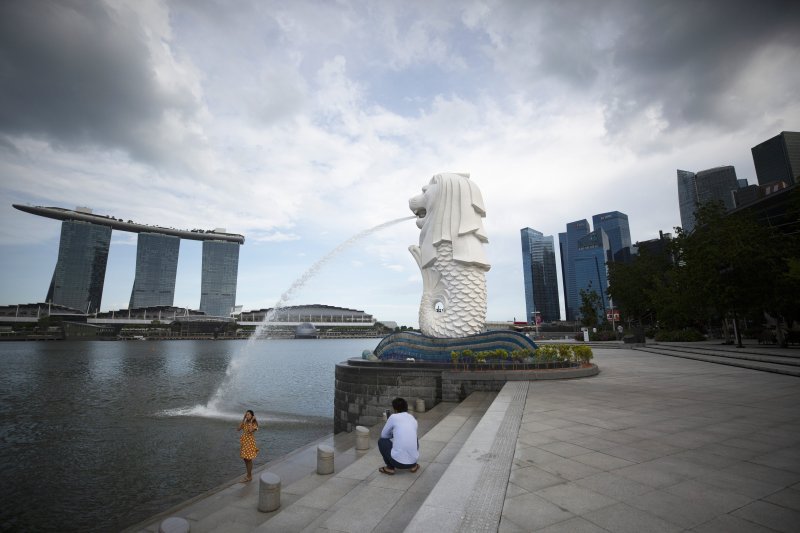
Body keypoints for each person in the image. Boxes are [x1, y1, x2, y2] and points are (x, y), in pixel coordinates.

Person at [378, 397, 420, 475]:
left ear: (395, 409)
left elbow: (384, 435)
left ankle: (390, 468)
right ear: (406, 407)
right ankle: (414, 465)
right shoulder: (413, 418)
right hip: (413, 460)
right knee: (414, 437)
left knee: (382, 441)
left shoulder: (393, 417)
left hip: (398, 463)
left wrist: (393, 433)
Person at [237, 409, 259, 482]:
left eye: (248, 414)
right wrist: (243, 419)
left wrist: (252, 420)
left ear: (252, 416)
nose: (247, 416)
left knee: (249, 459)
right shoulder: (245, 422)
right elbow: (238, 429)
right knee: (245, 459)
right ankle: (248, 475)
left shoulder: (254, 423)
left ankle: (249, 476)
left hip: (249, 442)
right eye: (246, 414)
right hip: (244, 442)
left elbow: (250, 430)